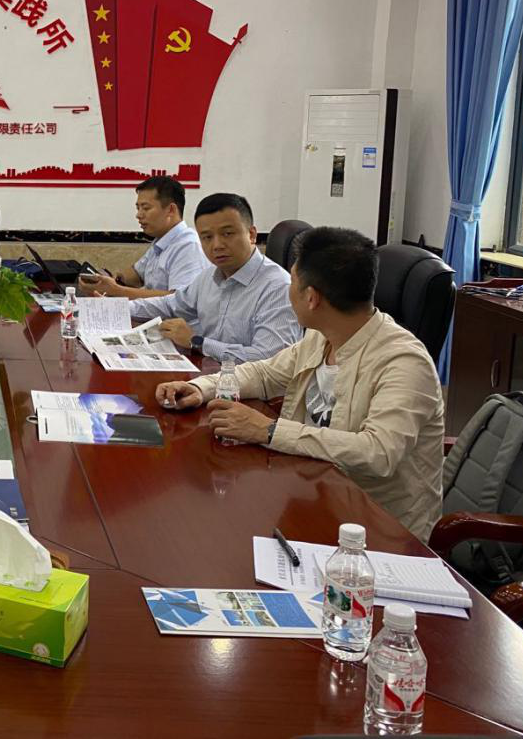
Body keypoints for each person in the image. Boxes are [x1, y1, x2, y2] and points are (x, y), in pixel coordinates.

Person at [156, 227, 445, 541]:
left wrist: (268, 430)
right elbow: (265, 374)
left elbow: (378, 453)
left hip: (375, 531)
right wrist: (202, 388)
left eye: (292, 282)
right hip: (312, 495)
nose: (287, 291)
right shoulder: (323, 336)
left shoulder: (404, 362)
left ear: (311, 298)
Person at [123, 192, 301, 363]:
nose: (216, 245)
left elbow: (269, 359)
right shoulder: (209, 277)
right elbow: (170, 304)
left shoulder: (278, 288)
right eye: (207, 237)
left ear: (252, 235)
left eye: (227, 234)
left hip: (249, 384)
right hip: (210, 375)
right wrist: (119, 309)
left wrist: (197, 342)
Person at [80, 175, 209, 300]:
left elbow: (178, 301)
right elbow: (136, 274)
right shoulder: (160, 241)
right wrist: (108, 279)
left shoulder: (188, 246)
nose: (139, 215)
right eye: (138, 208)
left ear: (171, 210)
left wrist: (116, 290)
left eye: (146, 208)